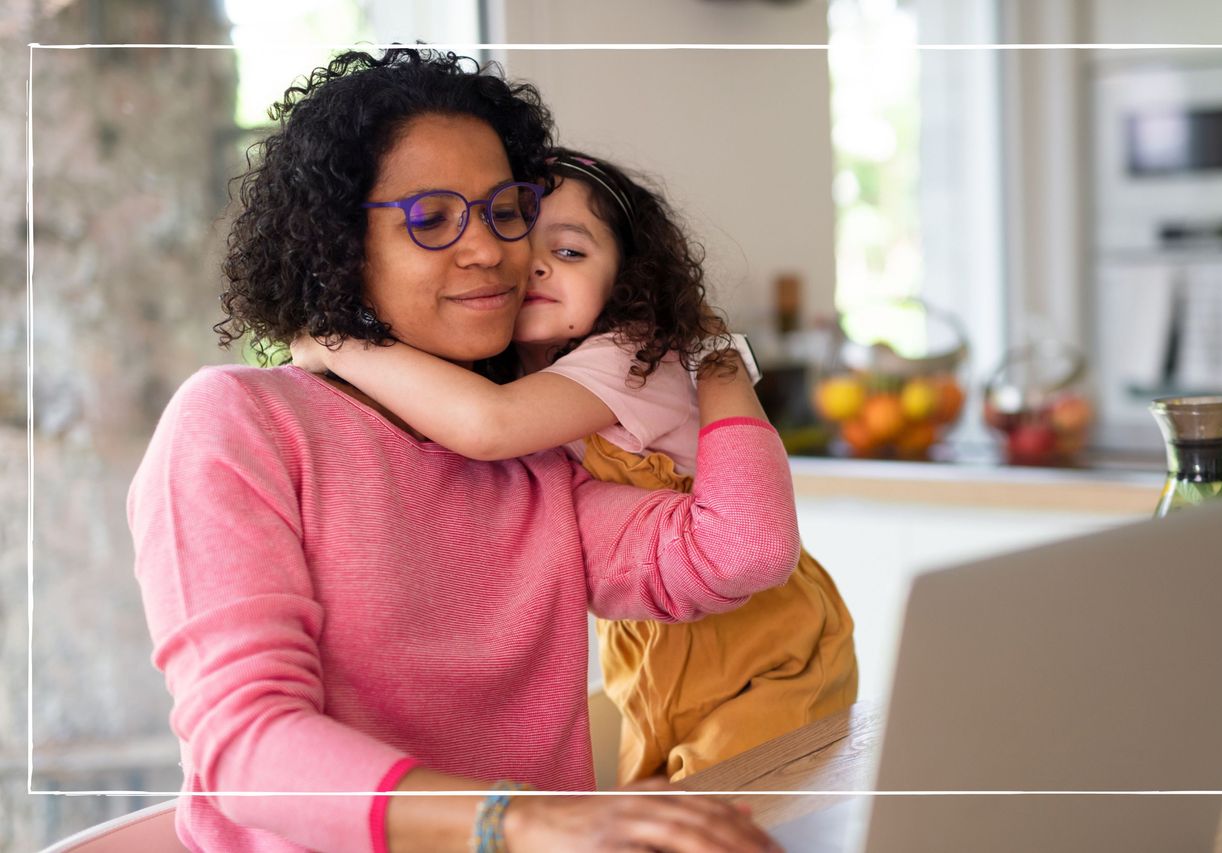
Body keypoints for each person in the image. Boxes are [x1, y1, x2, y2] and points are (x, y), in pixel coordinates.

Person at [128, 47, 797, 853]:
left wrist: (711, 349)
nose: (491, 250)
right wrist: (519, 817)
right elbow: (248, 749)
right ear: (337, 245)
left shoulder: (536, 454)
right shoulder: (241, 422)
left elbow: (741, 552)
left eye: (505, 209)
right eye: (432, 218)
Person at [291, 148, 859, 785]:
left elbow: (488, 426)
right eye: (519, 242)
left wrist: (338, 343)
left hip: (767, 650)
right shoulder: (539, 375)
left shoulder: (632, 354)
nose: (533, 264)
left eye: (569, 252)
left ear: (626, 281)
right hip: (655, 652)